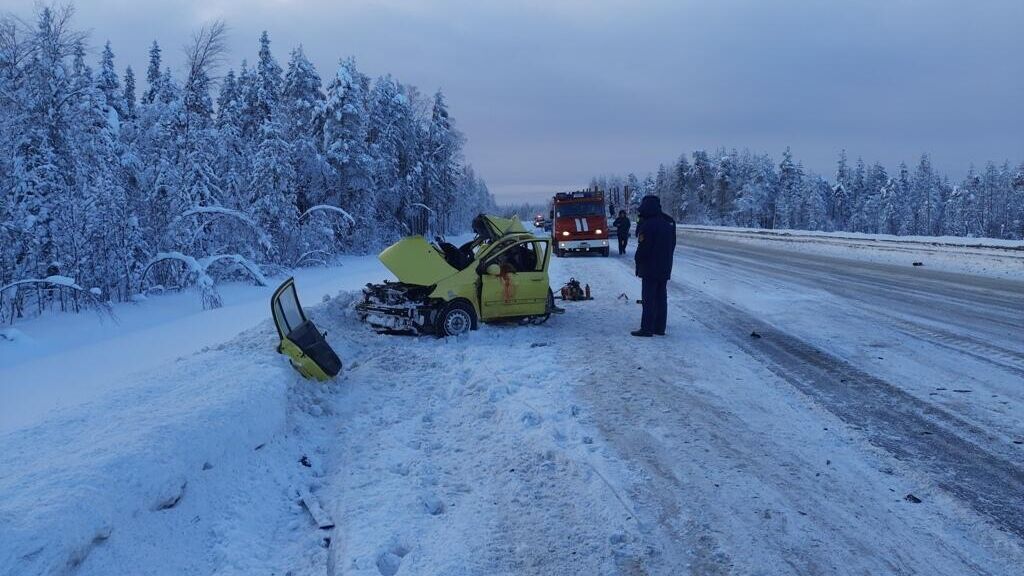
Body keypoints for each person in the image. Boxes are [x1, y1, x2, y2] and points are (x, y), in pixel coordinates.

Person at [632, 195, 676, 337]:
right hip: (665, 266)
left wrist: (637, 259)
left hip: (650, 268)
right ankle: (659, 327)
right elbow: (673, 244)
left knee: (648, 299)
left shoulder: (647, 225)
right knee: (661, 298)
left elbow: (644, 248)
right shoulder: (668, 223)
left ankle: (647, 328)